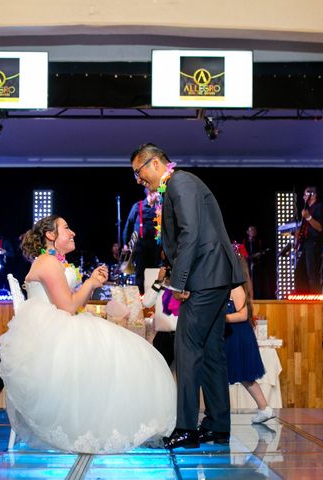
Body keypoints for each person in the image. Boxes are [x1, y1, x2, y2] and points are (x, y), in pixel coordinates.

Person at [0, 215, 176, 453]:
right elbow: (68, 307)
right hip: (49, 333)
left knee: (123, 348)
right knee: (121, 350)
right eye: (66, 228)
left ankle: (105, 423)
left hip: (58, 323)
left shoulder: (55, 262)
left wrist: (89, 284)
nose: (73, 233)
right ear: (51, 235)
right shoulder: (48, 263)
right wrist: (90, 283)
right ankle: (105, 426)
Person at [130, 143, 245, 449]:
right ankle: (218, 426)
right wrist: (171, 268)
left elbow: (190, 234)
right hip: (214, 275)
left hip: (205, 277)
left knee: (186, 348)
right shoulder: (181, 185)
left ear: (155, 164)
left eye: (138, 172)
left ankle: (186, 429)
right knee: (210, 352)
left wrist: (179, 283)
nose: (139, 180)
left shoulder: (180, 182)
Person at [225, 251, 275, 424]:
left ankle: (264, 407)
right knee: (241, 375)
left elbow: (243, 314)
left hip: (237, 335)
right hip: (234, 334)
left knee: (244, 374)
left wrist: (222, 318)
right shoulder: (231, 287)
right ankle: (263, 407)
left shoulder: (235, 288)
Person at [122, 189, 160, 293]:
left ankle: (151, 299)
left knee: (154, 273)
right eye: (156, 192)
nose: (158, 194)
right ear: (150, 193)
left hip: (154, 246)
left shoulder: (159, 207)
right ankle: (140, 298)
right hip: (140, 246)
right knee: (140, 274)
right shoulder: (137, 206)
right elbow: (128, 225)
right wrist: (125, 243)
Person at [142, 266, 178, 366]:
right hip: (163, 337)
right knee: (160, 371)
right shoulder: (158, 288)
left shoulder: (184, 288)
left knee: (182, 373)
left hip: (181, 336)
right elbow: (146, 303)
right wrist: (158, 281)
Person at [294, 186, 323, 293]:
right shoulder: (307, 210)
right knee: (299, 272)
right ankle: (303, 297)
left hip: (314, 244)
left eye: (307, 193)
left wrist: (308, 217)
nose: (304, 196)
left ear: (314, 195)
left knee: (312, 273)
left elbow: (320, 227)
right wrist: (298, 234)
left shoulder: (318, 207)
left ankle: (315, 298)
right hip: (306, 244)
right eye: (304, 194)